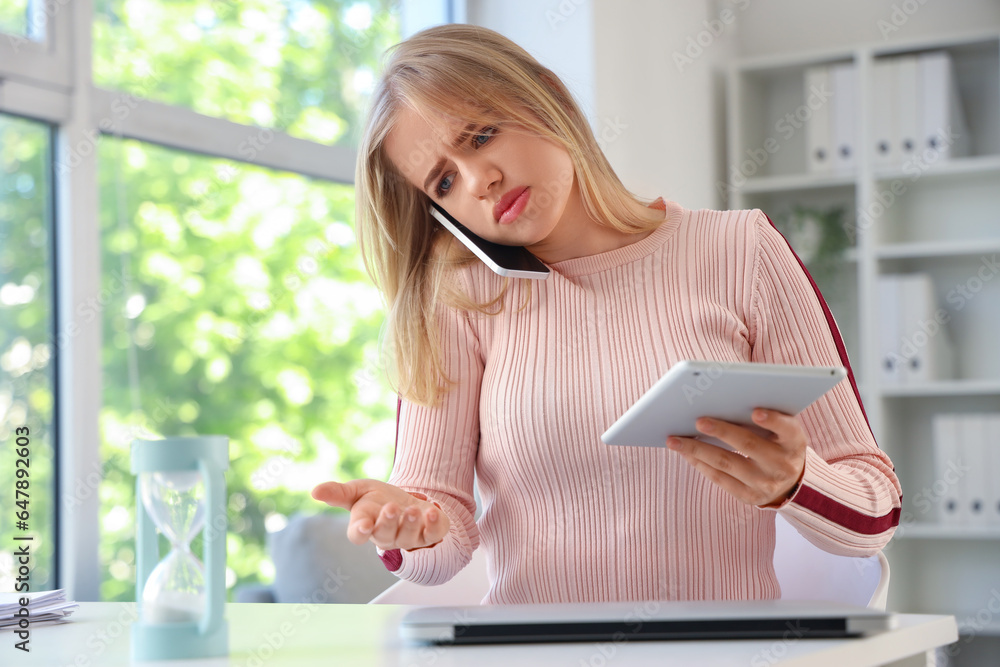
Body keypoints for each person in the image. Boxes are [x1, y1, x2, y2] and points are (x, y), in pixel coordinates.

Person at [311, 23, 901, 605]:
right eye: (443, 182)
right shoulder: (458, 302)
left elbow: (876, 512)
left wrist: (798, 483)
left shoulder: (741, 250)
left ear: (546, 97)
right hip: (536, 655)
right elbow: (440, 548)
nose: (479, 182)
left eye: (482, 135)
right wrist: (410, 529)